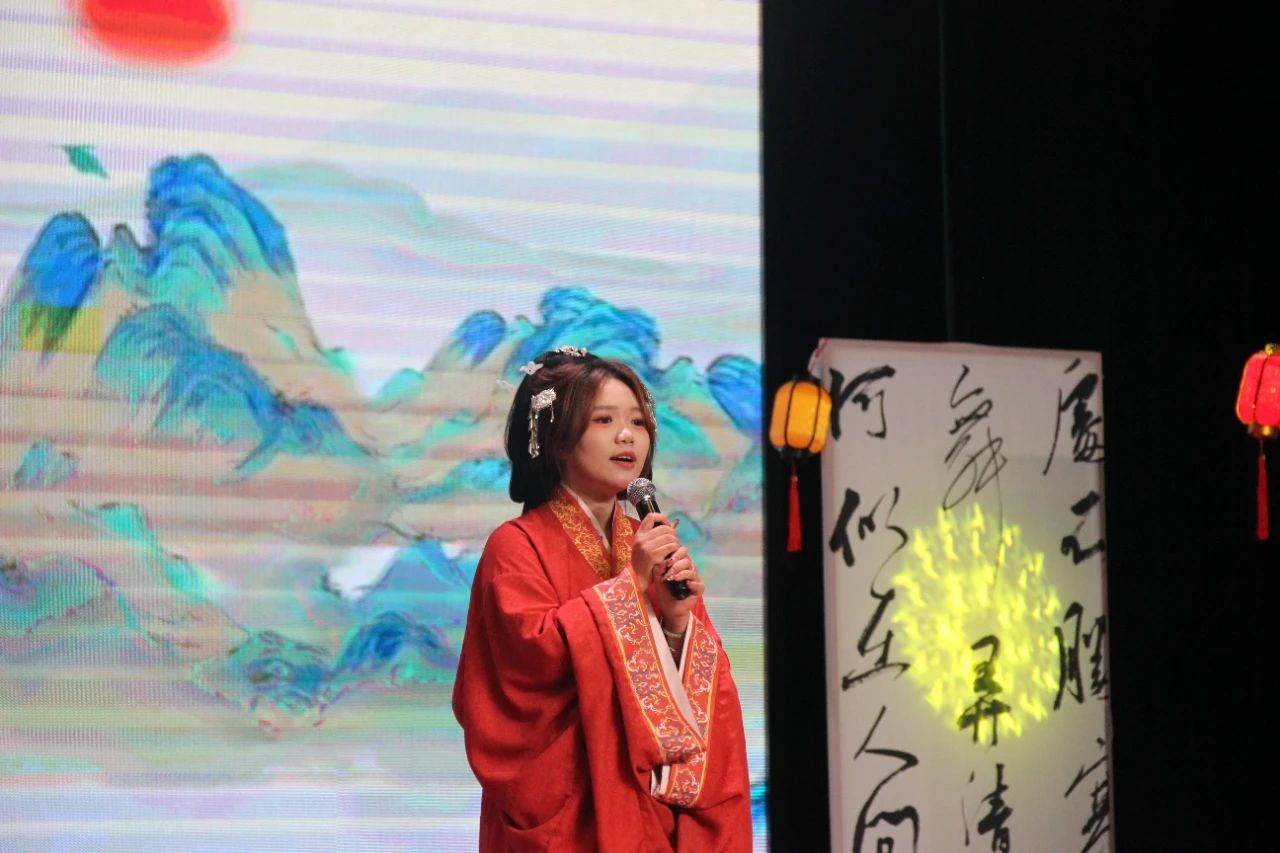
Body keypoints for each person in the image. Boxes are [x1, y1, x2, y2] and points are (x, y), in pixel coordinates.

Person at [452, 346, 753, 852]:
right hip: (571, 805)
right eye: (604, 420)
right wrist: (630, 587)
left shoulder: (650, 542)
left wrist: (677, 625)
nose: (627, 435)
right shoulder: (516, 546)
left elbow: (703, 697)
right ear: (557, 441)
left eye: (637, 421)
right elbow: (526, 667)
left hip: (650, 804)